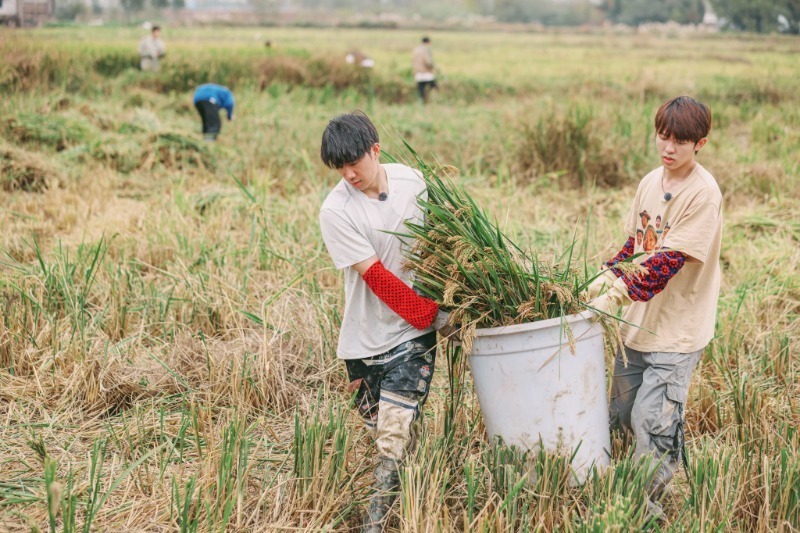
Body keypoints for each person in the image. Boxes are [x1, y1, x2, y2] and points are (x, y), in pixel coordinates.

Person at [585, 96, 722, 520]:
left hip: (676, 333)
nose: (669, 148)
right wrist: (607, 275)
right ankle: (618, 495)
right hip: (636, 328)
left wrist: (616, 293)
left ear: (699, 143)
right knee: (620, 416)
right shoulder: (649, 181)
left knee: (653, 422)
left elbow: (664, 265)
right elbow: (637, 245)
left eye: (680, 141)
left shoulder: (703, 194)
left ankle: (643, 514)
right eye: (663, 137)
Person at [318, 111, 455, 532]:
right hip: (362, 343)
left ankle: (373, 525)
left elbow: (442, 245)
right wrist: (435, 315)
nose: (348, 174)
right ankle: (413, 500)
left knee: (392, 440)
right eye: (339, 167)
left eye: (354, 162)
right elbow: (378, 280)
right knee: (386, 438)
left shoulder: (414, 183)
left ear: (374, 151)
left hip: (412, 337)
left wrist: (444, 306)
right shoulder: (335, 211)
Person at [411, 36, 436, 104]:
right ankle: (432, 100)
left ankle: (421, 102)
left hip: (418, 72)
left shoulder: (416, 50)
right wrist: (433, 67)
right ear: (428, 42)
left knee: (421, 88)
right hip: (426, 72)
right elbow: (428, 62)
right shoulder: (426, 50)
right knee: (433, 86)